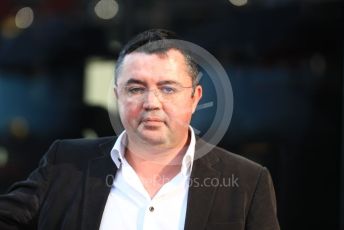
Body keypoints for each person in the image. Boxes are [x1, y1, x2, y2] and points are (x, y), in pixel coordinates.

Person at [0, 29, 280, 230]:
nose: (151, 103)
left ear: (194, 98)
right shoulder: (65, 162)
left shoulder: (246, 181)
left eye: (167, 88)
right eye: (136, 88)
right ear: (116, 96)